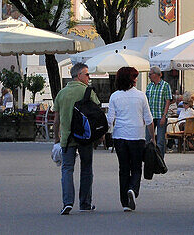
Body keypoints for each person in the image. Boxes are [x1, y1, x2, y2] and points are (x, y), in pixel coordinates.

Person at [53, 62, 99, 215]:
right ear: (78, 75)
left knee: (67, 169)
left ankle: (67, 202)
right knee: (86, 168)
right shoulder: (88, 92)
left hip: (67, 137)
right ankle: (85, 203)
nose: (89, 77)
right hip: (85, 137)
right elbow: (96, 113)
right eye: (86, 74)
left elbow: (56, 119)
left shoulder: (61, 93)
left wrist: (56, 139)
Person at [107, 66, 154, 212]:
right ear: (131, 79)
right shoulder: (141, 96)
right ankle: (133, 189)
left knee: (123, 168)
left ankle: (125, 202)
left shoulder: (115, 96)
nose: (136, 79)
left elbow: (110, 119)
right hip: (137, 136)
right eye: (135, 76)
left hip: (120, 136)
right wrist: (152, 137)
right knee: (136, 167)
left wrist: (107, 135)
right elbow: (148, 119)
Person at [145, 66, 173, 156]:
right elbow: (146, 101)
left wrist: (164, 116)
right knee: (148, 139)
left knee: (160, 141)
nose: (149, 76)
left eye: (150, 74)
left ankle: (160, 161)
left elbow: (167, 101)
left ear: (156, 75)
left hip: (161, 116)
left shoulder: (165, 86)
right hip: (150, 117)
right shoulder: (149, 86)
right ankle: (149, 159)